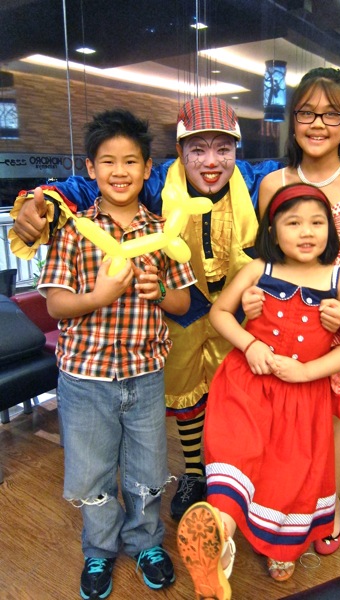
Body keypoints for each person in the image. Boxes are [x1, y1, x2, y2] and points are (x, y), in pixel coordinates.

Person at [9, 97, 340, 520]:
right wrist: (41, 204)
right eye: (198, 149)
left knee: (238, 401)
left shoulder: (255, 179)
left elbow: (315, 183)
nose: (211, 162)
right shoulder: (157, 182)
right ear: (180, 151)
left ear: (236, 151)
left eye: (223, 149)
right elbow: (83, 187)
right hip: (181, 308)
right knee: (188, 397)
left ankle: (238, 475)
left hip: (241, 311)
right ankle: (195, 473)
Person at [177, 183, 340, 600]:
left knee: (288, 471)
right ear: (272, 230)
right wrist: (249, 344)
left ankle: (275, 544)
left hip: (302, 395)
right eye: (293, 222)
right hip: (247, 384)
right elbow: (219, 312)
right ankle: (220, 536)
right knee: (235, 452)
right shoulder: (258, 269)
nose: (307, 232)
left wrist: (308, 372)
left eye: (317, 222)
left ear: (330, 229)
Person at [37, 109, 197, 599]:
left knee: (147, 468)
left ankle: (146, 541)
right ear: (91, 168)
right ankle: (100, 549)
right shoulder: (73, 230)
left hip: (145, 373)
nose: (120, 171)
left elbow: (183, 302)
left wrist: (158, 292)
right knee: (93, 470)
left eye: (131, 161)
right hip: (85, 377)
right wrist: (98, 296)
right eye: (108, 161)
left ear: (148, 168)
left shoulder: (164, 231)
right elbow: (55, 304)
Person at [244, 67, 340, 557]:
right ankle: (276, 502)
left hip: (336, 314)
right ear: (293, 120)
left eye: (331, 114)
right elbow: (266, 256)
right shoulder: (273, 183)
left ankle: (328, 505)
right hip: (280, 314)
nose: (318, 123)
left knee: (326, 420)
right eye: (307, 112)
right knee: (276, 415)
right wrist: (253, 298)